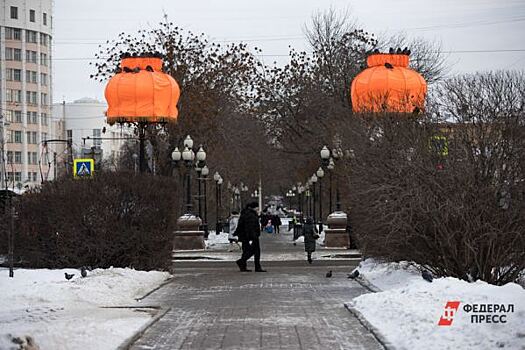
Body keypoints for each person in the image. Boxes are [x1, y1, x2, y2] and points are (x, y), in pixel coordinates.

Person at [234, 201, 266, 272]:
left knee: (246, 251)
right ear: (254, 208)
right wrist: (252, 237)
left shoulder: (245, 213)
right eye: (257, 208)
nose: (258, 210)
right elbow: (250, 227)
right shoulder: (251, 215)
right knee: (256, 251)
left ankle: (243, 265)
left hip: (244, 236)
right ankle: (253, 265)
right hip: (251, 236)